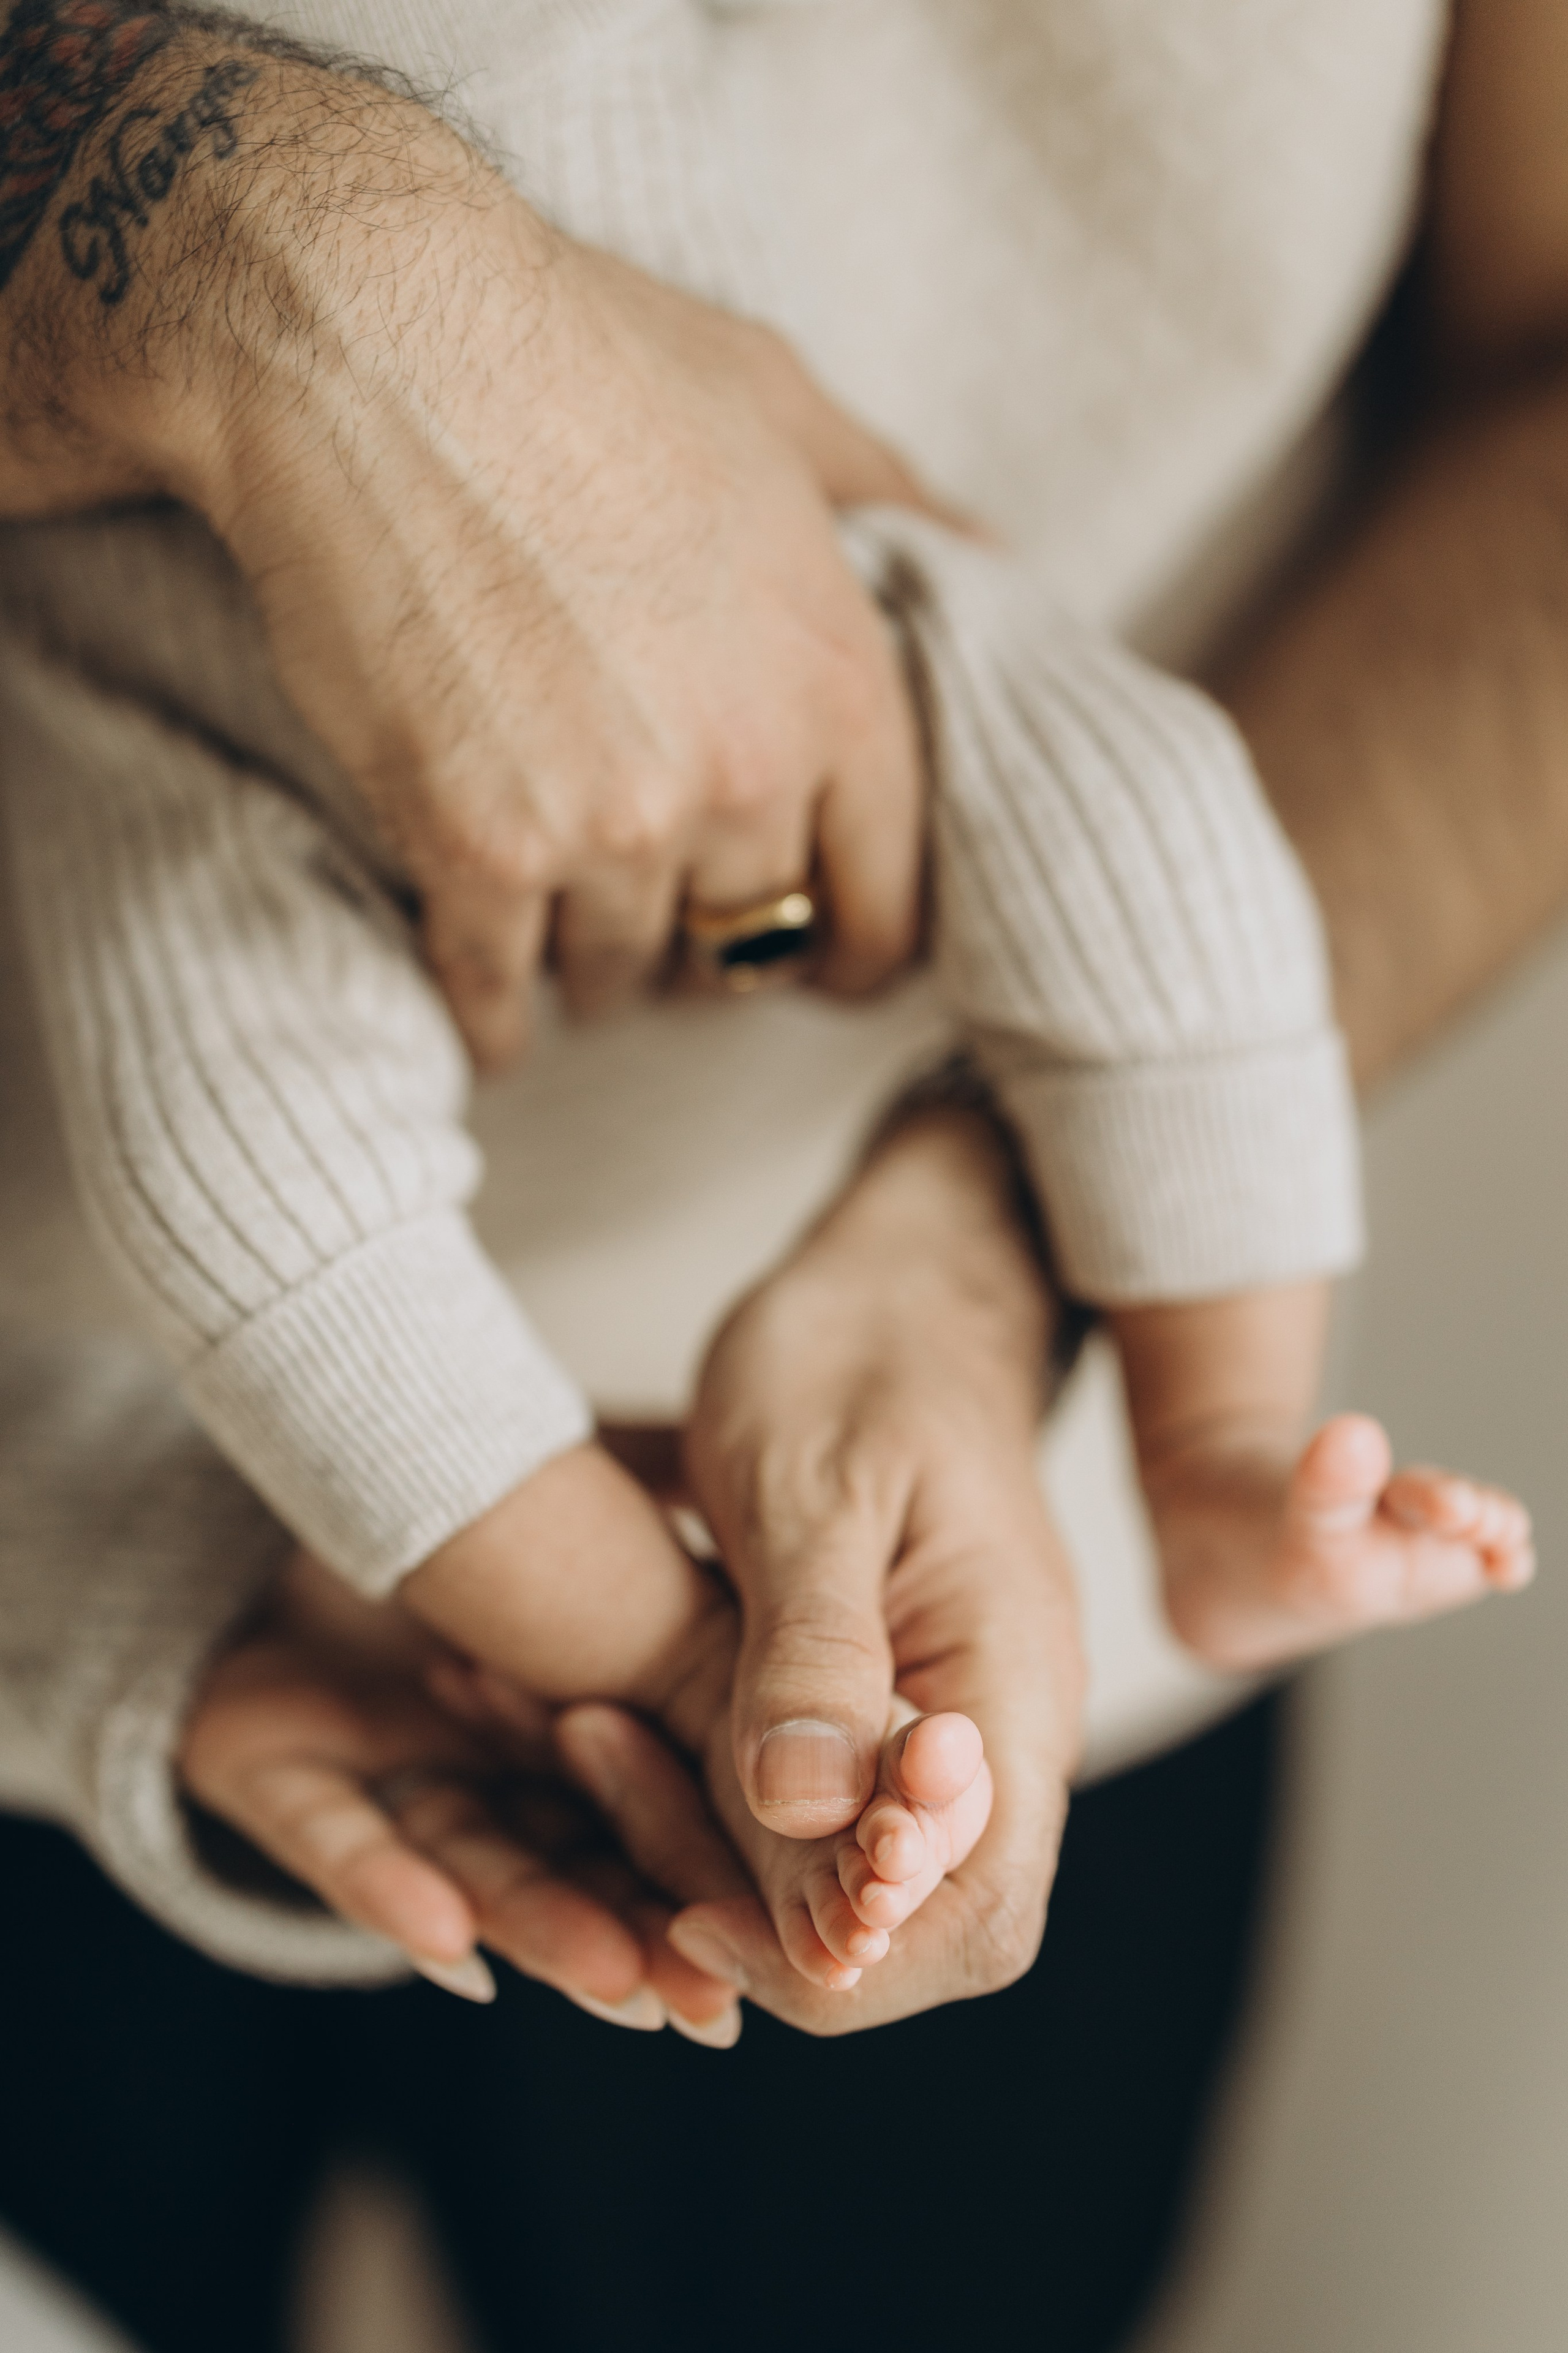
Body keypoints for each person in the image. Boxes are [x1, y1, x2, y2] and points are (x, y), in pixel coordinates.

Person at [4, 0, 1568, 2344]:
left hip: (1031, 1536)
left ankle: (1219, 1446)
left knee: (1144, 834)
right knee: (262, 1163)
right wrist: (259, 252)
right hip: (103, 1340)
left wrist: (1000, 1255)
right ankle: (679, 1644)